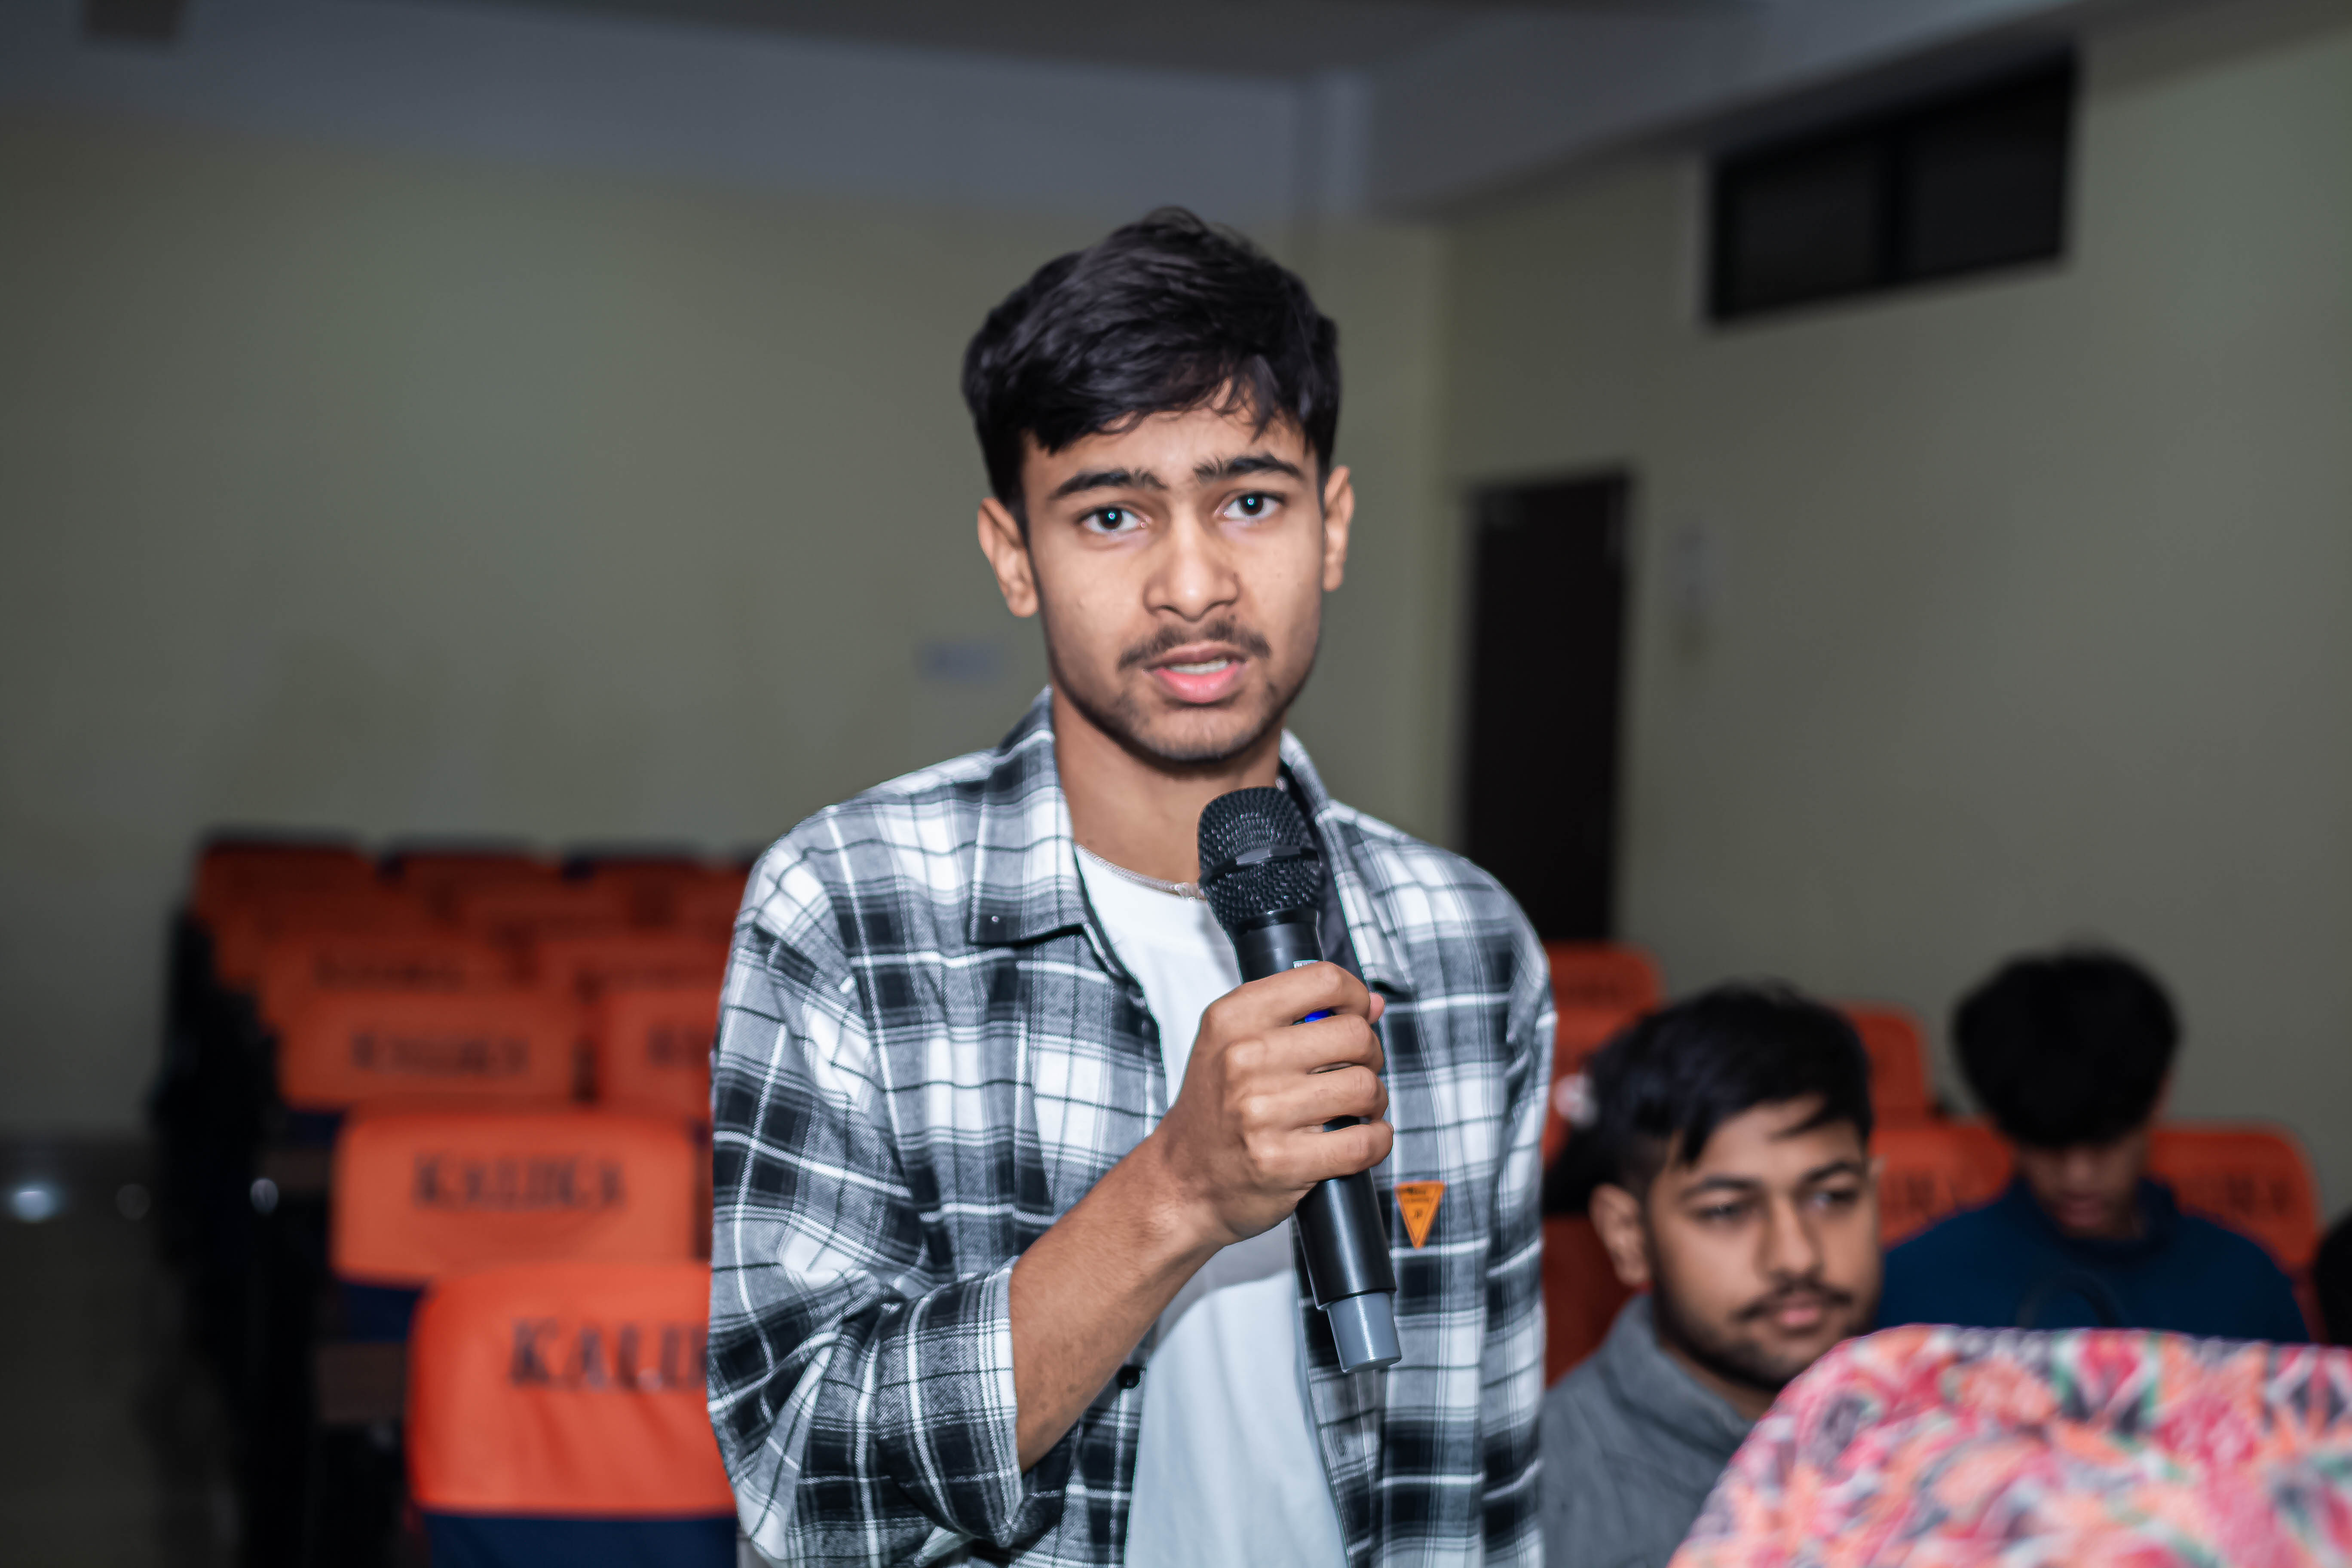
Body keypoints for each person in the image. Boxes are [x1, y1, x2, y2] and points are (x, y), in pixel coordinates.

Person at [705, 209, 1552, 1567]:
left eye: (1251, 501)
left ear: (1333, 525)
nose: (1194, 584)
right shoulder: (849, 909)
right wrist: (1176, 1191)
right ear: (1013, 555)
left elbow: (1481, 1487)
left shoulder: (1467, 942)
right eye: (1112, 514)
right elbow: (805, 1487)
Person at [1543, 984, 1884, 1568]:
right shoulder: (1540, 1497)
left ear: (1874, 1194)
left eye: (1831, 1197)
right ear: (1628, 1235)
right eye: (1726, 1210)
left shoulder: (1960, 1427)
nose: (1796, 1257)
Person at [1878, 948, 2307, 1340]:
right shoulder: (1916, 1288)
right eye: (2048, 1144)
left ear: (2158, 1097)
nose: (2077, 1176)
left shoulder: (2244, 1285)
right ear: (2004, 1126)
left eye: (2105, 1143)